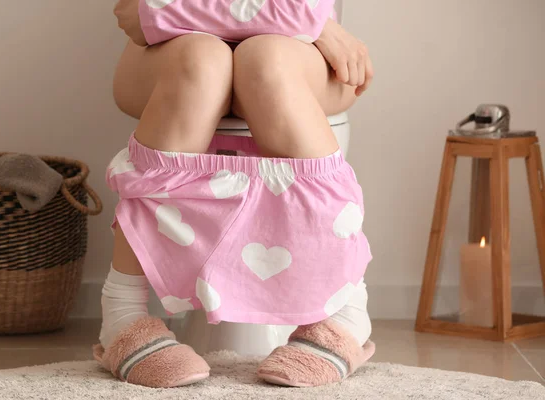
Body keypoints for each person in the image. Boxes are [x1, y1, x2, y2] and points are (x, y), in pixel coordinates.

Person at [93, 0, 375, 388]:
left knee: (266, 60)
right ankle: (123, 314)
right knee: (201, 60)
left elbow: (156, 11)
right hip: (179, 52)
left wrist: (168, 12)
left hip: (294, 55)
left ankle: (345, 310)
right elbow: (137, 14)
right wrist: (313, 24)